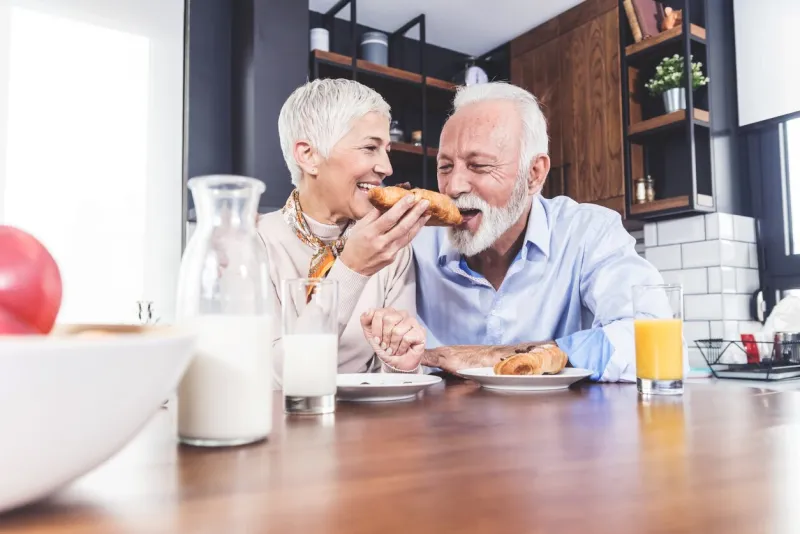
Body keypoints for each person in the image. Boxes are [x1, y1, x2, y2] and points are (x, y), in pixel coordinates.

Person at [412, 81, 680, 382]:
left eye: (479, 165)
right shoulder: (411, 242)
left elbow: (651, 336)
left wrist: (507, 358)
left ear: (534, 174)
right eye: (445, 167)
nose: (454, 186)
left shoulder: (589, 233)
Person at [258, 78, 428, 385]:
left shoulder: (393, 246)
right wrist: (351, 269)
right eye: (370, 148)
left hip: (370, 428)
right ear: (308, 155)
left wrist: (402, 363)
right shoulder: (254, 245)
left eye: (386, 150)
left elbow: (395, 380)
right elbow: (272, 379)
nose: (387, 167)